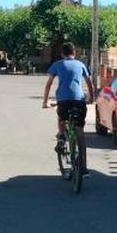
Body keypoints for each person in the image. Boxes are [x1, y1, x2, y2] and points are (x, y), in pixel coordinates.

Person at [42, 43, 96, 174]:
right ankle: (83, 168)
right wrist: (91, 99)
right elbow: (90, 85)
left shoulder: (58, 64)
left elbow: (48, 84)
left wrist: (45, 102)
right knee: (80, 132)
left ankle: (61, 138)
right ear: (74, 52)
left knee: (61, 118)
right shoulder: (81, 65)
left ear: (62, 54)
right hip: (79, 100)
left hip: (63, 100)